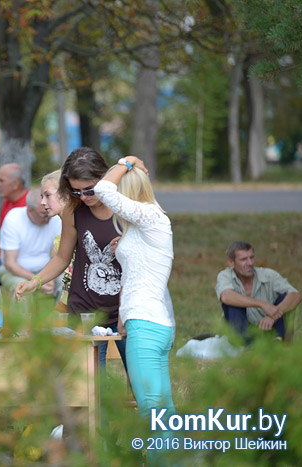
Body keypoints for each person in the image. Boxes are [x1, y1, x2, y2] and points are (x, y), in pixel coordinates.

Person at [94, 155, 175, 461]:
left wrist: (125, 162)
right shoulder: (145, 224)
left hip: (147, 326)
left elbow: (103, 189)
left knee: (151, 412)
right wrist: (122, 316)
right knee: (164, 411)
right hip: (149, 323)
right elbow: (137, 271)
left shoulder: (150, 216)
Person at [15, 148, 125, 369]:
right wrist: (35, 282)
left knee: (141, 384)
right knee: (89, 388)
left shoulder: (125, 208)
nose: (83, 197)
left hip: (125, 310)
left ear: (104, 180)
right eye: (76, 192)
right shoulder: (73, 211)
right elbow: (62, 258)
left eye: (89, 190)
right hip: (84, 313)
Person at [215, 241, 302, 343]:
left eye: (251, 258)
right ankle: (241, 344)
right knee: (232, 303)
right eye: (243, 259)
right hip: (242, 331)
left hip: (268, 329)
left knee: (286, 298)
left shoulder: (269, 275)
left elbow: (296, 295)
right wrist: (262, 305)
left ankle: (280, 341)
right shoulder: (225, 275)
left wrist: (273, 316)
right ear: (231, 263)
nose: (250, 263)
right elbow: (226, 296)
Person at [0, 189, 62, 294]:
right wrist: (37, 280)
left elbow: (58, 255)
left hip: (44, 269)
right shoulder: (13, 218)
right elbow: (10, 263)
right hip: (13, 271)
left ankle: (62, 311)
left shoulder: (54, 218)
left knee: (66, 282)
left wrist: (48, 276)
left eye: (49, 211)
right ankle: (21, 312)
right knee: (21, 287)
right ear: (29, 210)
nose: (48, 217)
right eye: (43, 214)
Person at [39, 170, 74, 310]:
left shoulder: (78, 225)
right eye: (42, 196)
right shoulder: (60, 224)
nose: (42, 202)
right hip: (67, 303)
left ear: (66, 195)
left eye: (48, 196)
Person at [0, 163, 30, 272]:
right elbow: (4, 234)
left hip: (21, 263)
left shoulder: (30, 205)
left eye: (1, 181)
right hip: (5, 259)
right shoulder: (7, 201)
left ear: (15, 184)